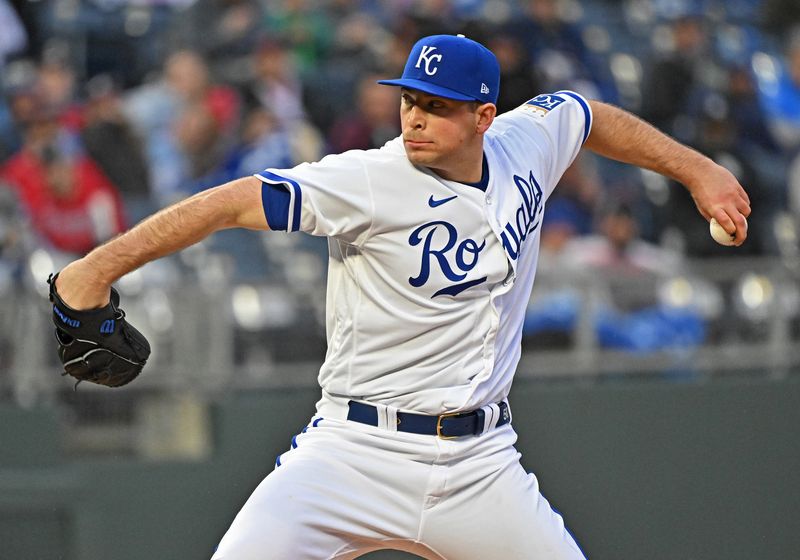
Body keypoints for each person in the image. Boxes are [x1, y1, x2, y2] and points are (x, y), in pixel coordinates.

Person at [52, 34, 750, 559]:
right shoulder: (367, 180)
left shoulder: (525, 145)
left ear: (484, 117)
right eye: (409, 99)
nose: (413, 117)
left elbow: (588, 115)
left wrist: (699, 171)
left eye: (436, 107)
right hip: (352, 451)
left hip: (481, 464)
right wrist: (95, 269)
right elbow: (230, 203)